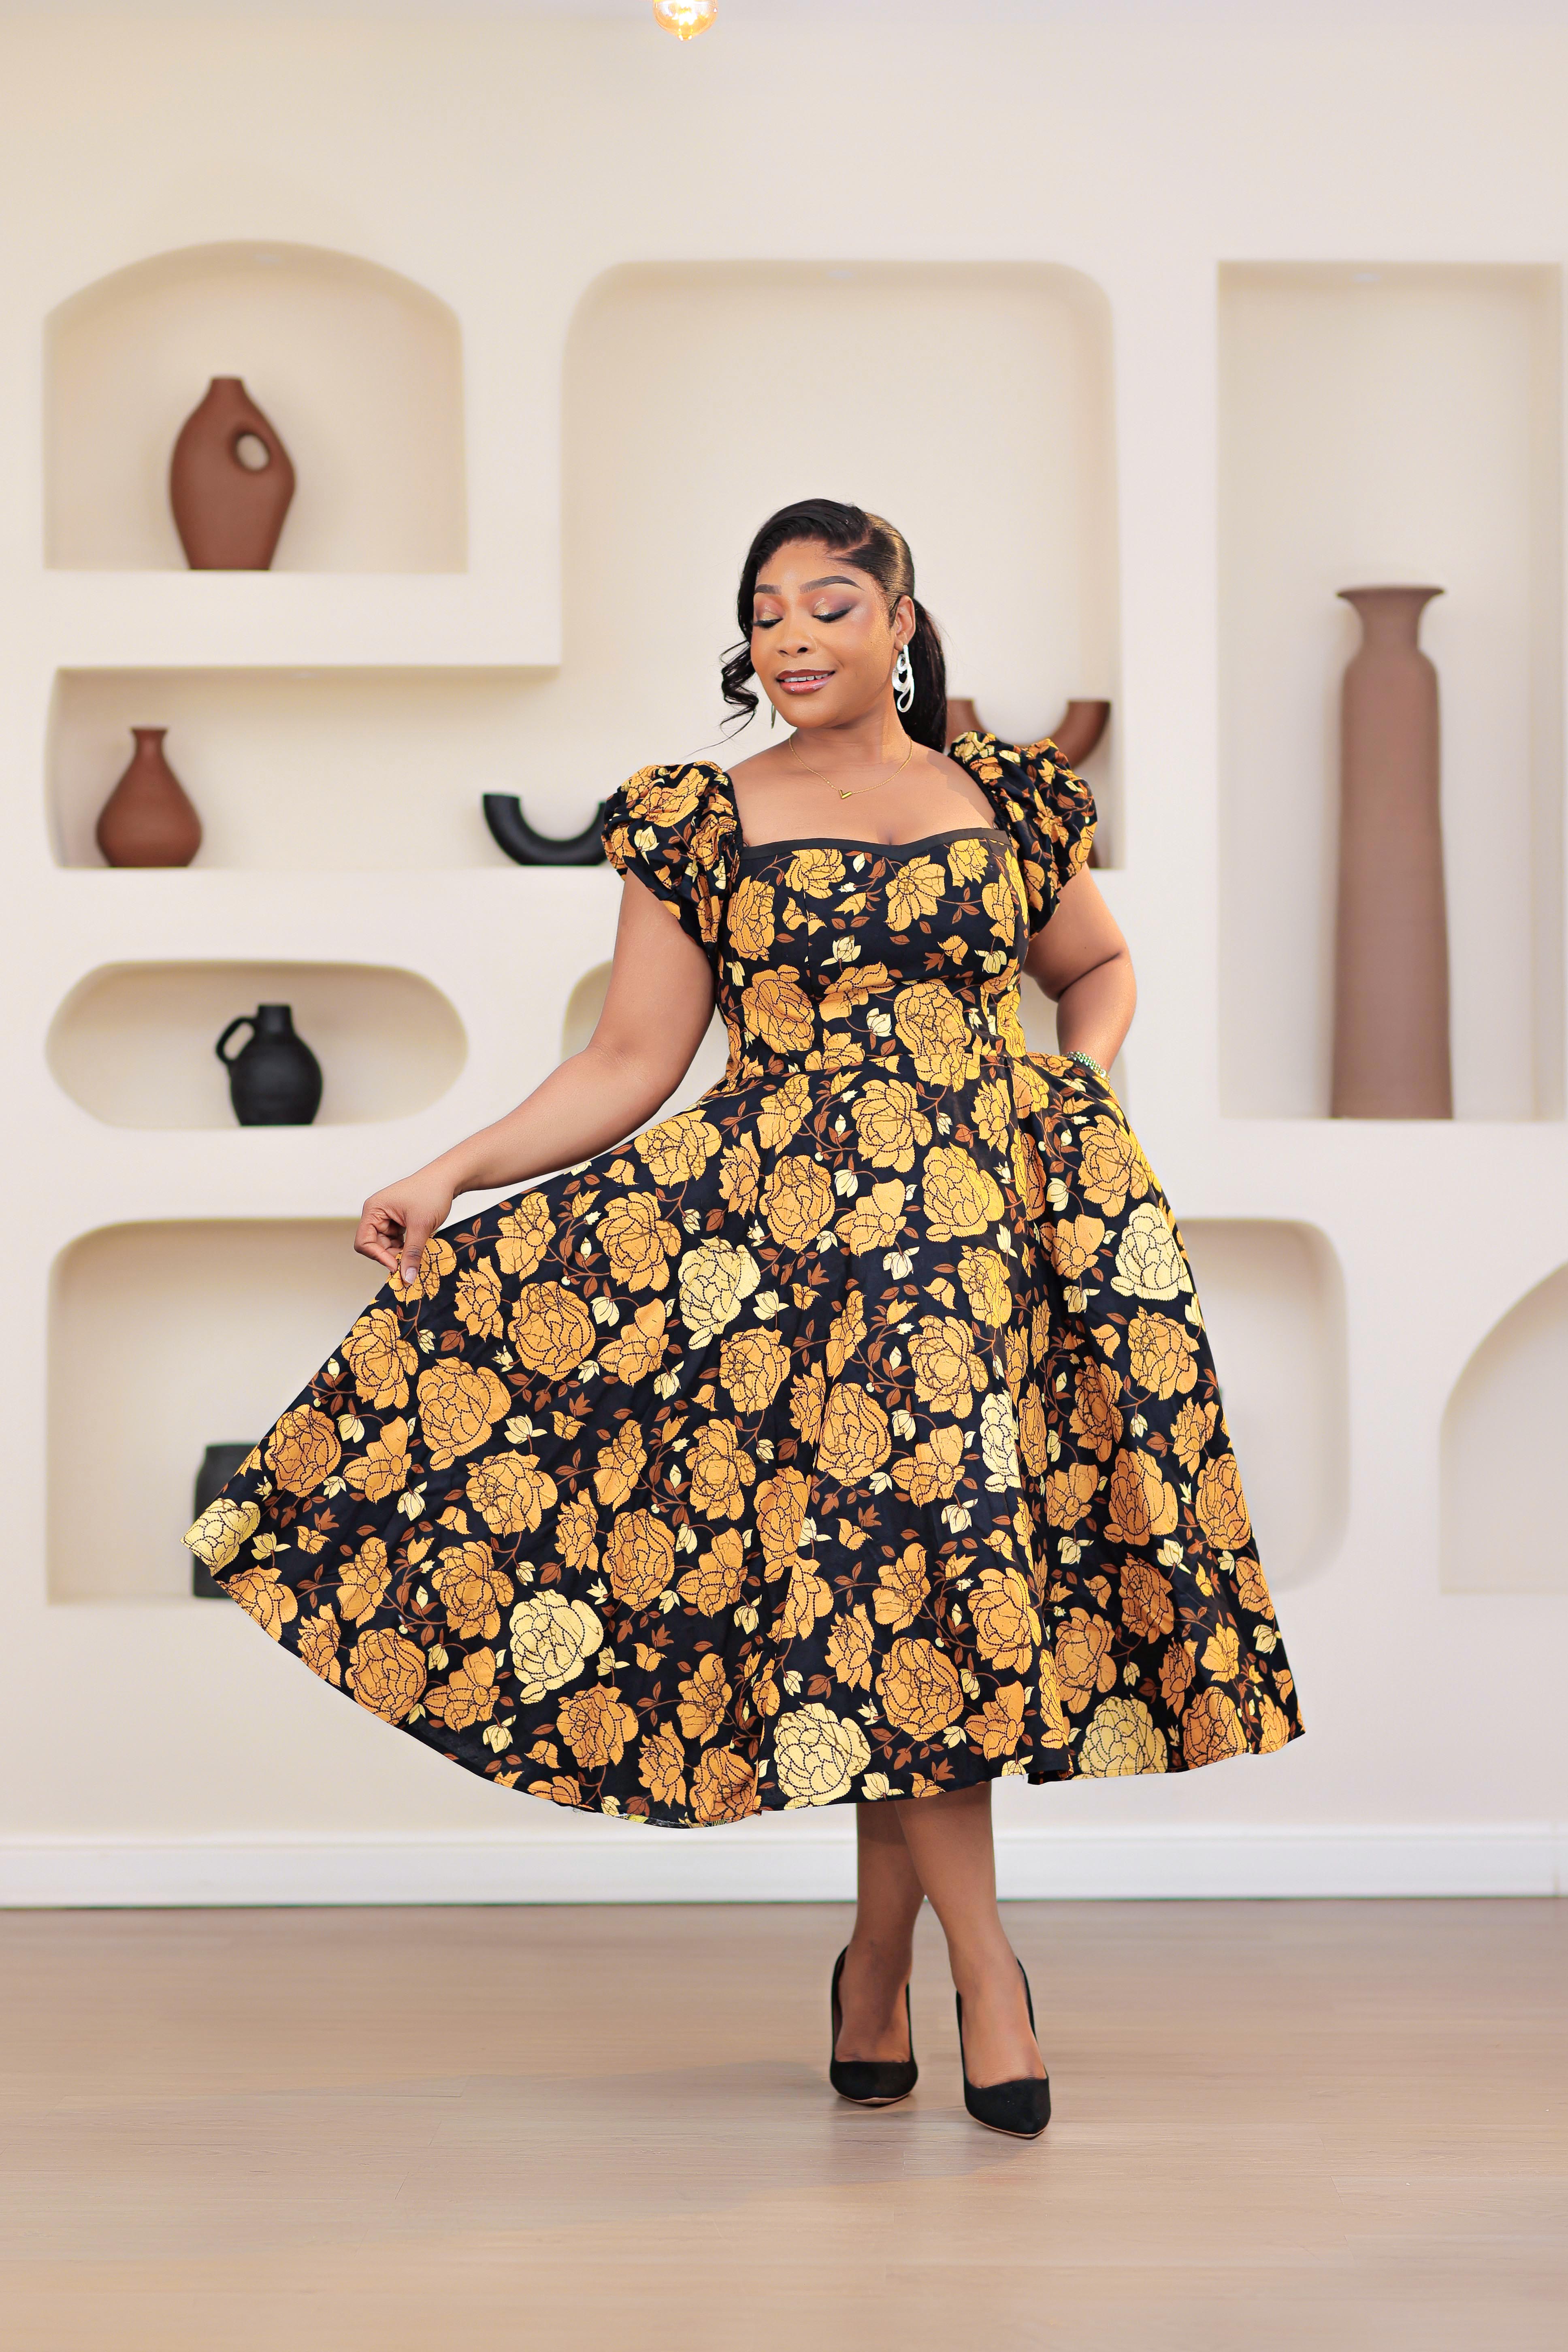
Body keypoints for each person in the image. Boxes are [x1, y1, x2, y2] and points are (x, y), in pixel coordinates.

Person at [188, 498, 1302, 2139]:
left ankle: (869, 1967)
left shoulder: (1001, 794)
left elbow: (1095, 967)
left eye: (829, 606)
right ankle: (987, 1979)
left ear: (902, 622)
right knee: (905, 1571)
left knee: (913, 1592)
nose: (791, 637)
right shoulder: (699, 820)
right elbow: (630, 1061)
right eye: (765, 611)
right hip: (797, 1257)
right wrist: (453, 1169)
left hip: (996, 1232)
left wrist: (1068, 1081)